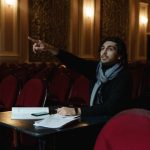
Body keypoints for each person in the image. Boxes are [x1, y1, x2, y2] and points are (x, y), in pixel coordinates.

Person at [28, 36, 132, 117]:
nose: (104, 52)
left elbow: (110, 107)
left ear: (119, 56)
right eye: (102, 48)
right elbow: (75, 62)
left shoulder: (124, 76)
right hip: (95, 116)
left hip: (113, 121)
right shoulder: (97, 69)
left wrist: (76, 110)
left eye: (110, 49)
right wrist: (49, 48)